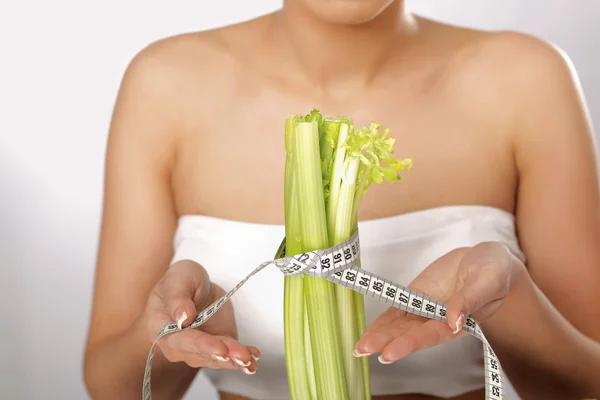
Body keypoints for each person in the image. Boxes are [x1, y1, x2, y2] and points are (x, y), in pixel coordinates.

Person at [82, 1, 600, 399]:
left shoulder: (527, 79)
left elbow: (586, 385)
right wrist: (169, 338)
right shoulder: (166, 84)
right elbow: (113, 386)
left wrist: (511, 300)